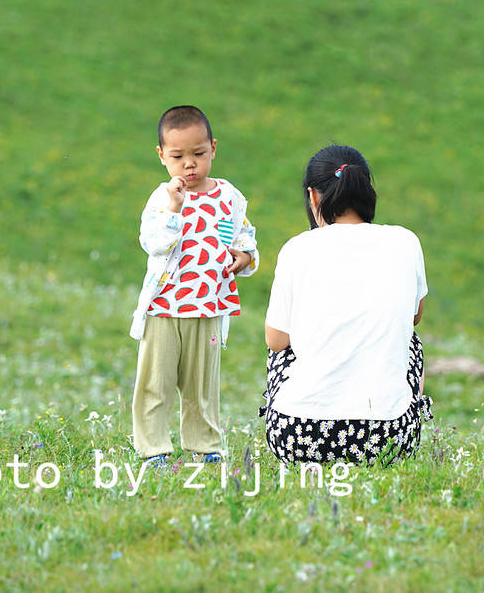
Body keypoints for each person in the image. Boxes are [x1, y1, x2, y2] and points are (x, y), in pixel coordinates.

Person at [259, 144, 432, 464]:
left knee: (285, 344)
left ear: (313, 197)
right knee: (411, 341)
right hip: (389, 439)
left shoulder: (297, 249)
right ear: (367, 190)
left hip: (299, 436)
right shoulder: (405, 242)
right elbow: (414, 316)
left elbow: (276, 340)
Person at [129, 105, 259, 466]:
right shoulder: (162, 198)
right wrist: (173, 210)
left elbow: (244, 235)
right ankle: (153, 448)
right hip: (164, 307)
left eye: (199, 154)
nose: (190, 164)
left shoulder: (229, 197)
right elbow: (153, 242)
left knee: (202, 386)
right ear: (161, 156)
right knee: (156, 381)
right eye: (178, 156)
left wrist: (246, 257)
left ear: (213, 149)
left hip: (208, 306)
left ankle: (205, 446)